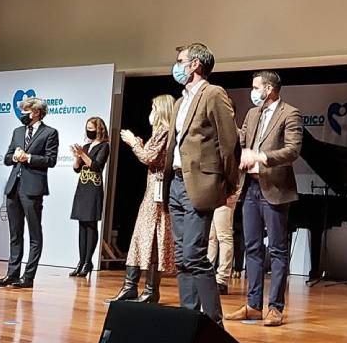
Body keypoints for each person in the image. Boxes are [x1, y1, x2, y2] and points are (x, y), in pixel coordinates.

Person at [165, 42, 239, 325]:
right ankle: (188, 317)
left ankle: (212, 322)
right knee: (182, 257)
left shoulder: (213, 93)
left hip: (201, 184)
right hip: (176, 183)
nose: (177, 65)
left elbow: (229, 142)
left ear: (195, 64)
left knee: (195, 255)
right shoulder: (180, 102)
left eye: (181, 60)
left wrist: (228, 184)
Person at [226, 70, 303, 327]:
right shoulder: (252, 113)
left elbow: (293, 150)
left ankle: (275, 307)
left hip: (276, 189)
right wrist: (226, 125)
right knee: (252, 248)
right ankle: (253, 305)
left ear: (269, 89)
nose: (253, 91)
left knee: (279, 250)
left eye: (256, 87)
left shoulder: (290, 113)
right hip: (251, 188)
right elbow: (242, 139)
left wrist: (262, 157)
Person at [108, 95, 176, 303]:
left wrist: (132, 143)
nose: (151, 112)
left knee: (153, 238)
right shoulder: (159, 132)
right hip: (151, 190)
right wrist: (140, 144)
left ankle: (149, 290)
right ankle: (131, 286)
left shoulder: (165, 131)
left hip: (158, 192)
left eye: (154, 107)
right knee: (141, 236)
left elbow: (149, 157)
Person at [0, 96, 59, 289]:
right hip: (14, 186)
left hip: (33, 189)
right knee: (15, 233)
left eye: (25, 111)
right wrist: (14, 157)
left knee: (34, 233)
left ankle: (28, 276)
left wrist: (29, 157)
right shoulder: (17, 132)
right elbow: (7, 158)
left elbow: (51, 160)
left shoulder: (50, 133)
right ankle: (12, 274)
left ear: (37, 112)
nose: (22, 115)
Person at [68, 117, 110, 278]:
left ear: (99, 129)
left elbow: (96, 166)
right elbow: (76, 169)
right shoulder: (85, 146)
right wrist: (76, 157)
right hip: (82, 187)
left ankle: (88, 262)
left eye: (91, 127)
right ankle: (81, 261)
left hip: (94, 187)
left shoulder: (104, 146)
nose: (88, 130)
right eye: (87, 128)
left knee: (91, 224)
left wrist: (83, 155)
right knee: (81, 224)